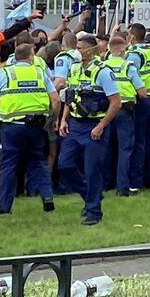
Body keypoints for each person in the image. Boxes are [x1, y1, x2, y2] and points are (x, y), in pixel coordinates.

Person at [0, 43, 59, 214]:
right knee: (38, 162)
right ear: (31, 56)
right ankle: (47, 196)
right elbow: (55, 100)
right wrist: (53, 118)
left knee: (9, 166)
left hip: (11, 127)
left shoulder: (6, 73)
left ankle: (4, 206)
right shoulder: (40, 72)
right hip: (36, 126)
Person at [57, 35, 121, 225]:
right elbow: (71, 97)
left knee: (92, 169)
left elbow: (116, 103)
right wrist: (63, 120)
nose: (77, 51)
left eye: (80, 48)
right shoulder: (74, 69)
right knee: (64, 165)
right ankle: (91, 194)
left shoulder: (102, 72)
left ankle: (93, 211)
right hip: (75, 124)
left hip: (94, 125)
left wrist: (101, 125)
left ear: (91, 50)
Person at [104, 37, 147, 195]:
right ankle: (122, 187)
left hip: (107, 110)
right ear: (122, 50)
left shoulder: (102, 65)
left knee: (107, 147)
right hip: (124, 110)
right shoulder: (127, 66)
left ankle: (105, 183)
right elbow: (142, 91)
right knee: (125, 149)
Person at [126, 23, 150, 190]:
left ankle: (136, 182)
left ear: (132, 37)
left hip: (141, 100)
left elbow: (127, 76)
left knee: (139, 142)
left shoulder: (134, 55)